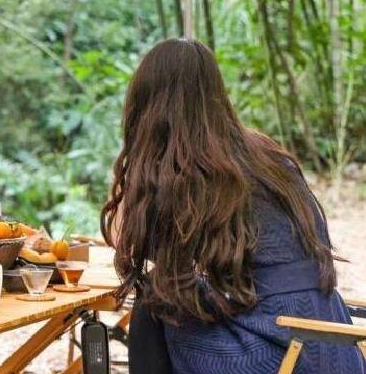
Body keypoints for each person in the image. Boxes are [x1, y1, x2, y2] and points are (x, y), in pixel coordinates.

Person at [100, 38, 364, 374]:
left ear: (148, 107)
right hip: (334, 347)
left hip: (279, 354)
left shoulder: (185, 173)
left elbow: (142, 253)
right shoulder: (268, 157)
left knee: (154, 301)